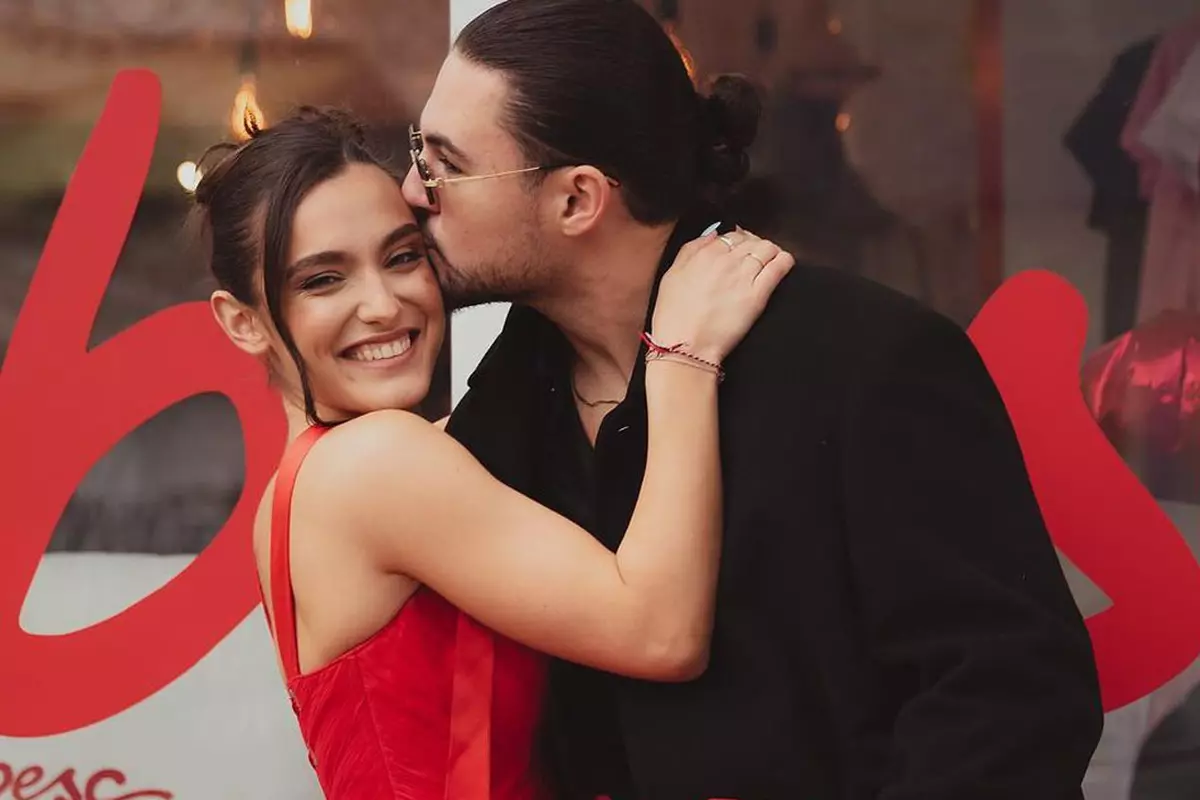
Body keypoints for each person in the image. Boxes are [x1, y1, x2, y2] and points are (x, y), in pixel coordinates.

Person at [403, 1, 1106, 798]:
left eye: (442, 164)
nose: (411, 191)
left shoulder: (868, 362)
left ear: (577, 200)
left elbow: (1011, 702)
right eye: (417, 151)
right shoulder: (501, 415)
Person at [195, 106, 792, 799]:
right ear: (242, 321)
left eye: (402, 257)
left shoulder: (310, 487)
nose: (383, 305)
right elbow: (663, 636)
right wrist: (683, 355)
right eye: (323, 280)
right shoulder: (374, 464)